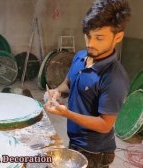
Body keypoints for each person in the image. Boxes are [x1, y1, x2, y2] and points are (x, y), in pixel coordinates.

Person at [44, 0, 131, 167]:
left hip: (95, 151)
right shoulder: (80, 56)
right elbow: (69, 82)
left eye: (99, 38)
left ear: (118, 37)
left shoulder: (114, 78)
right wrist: (57, 91)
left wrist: (67, 114)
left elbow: (105, 125)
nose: (90, 44)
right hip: (75, 140)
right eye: (88, 36)